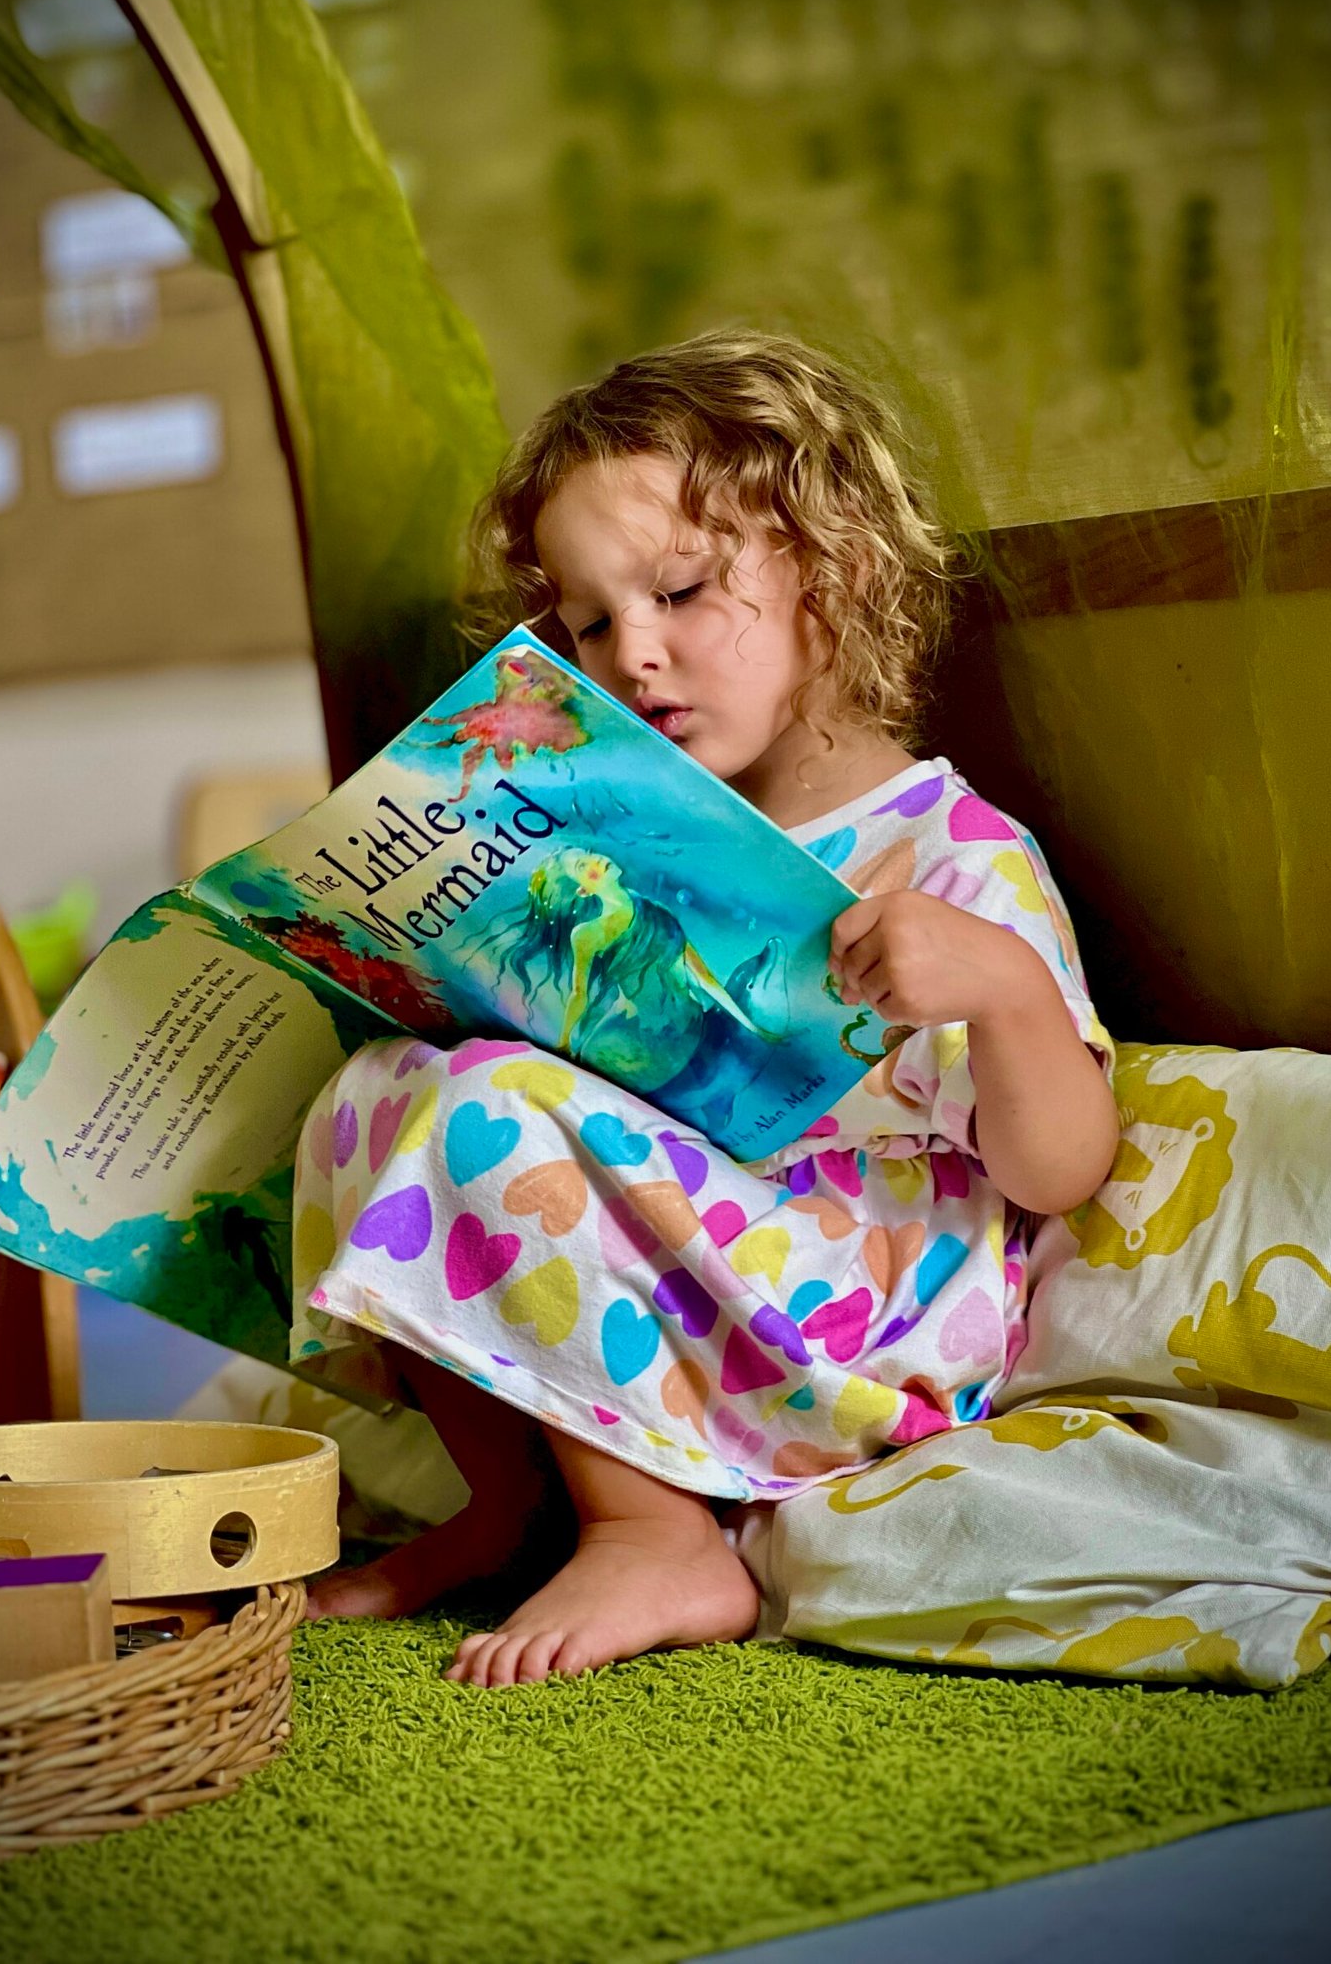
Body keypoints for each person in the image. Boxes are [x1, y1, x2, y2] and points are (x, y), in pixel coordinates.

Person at [290, 329, 1120, 1685]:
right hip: (684, 1274)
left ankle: (656, 1535)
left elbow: (1062, 1167)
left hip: (860, 1321)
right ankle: (513, 1505)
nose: (634, 654)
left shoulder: (952, 852)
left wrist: (1007, 989)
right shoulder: (622, 846)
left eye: (678, 591)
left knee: (482, 1110)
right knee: (374, 1088)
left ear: (835, 570)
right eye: (588, 623)